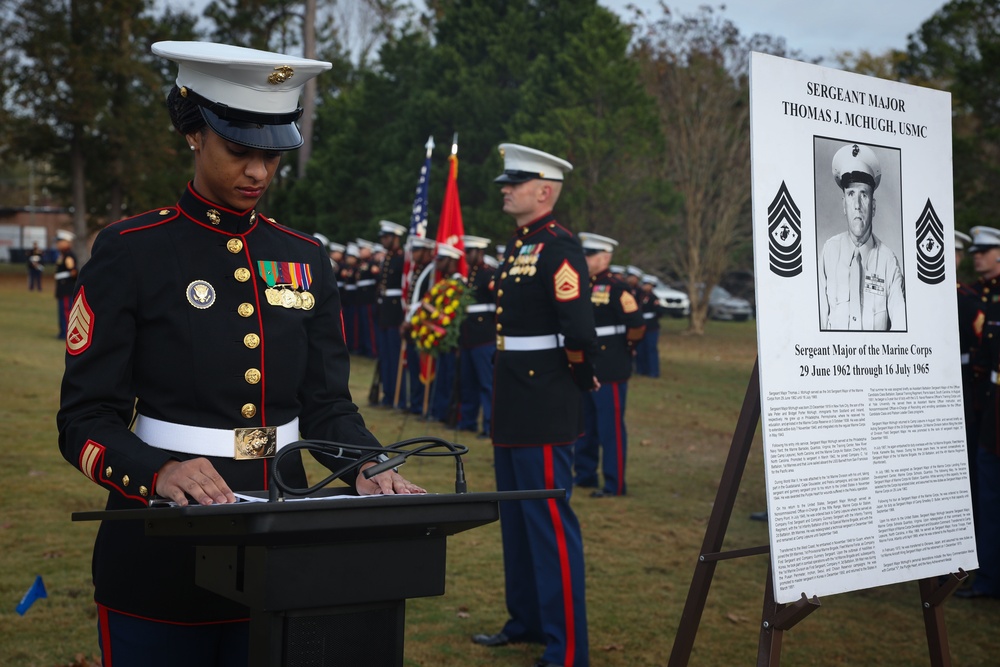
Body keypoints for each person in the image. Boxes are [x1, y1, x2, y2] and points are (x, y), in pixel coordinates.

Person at [56, 41, 425, 664]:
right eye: (239, 150)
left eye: (273, 155)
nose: (258, 172)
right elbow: (85, 418)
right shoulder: (133, 251)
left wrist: (366, 463)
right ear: (195, 133)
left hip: (285, 541)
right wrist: (156, 473)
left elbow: (327, 402)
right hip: (161, 551)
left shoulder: (305, 257)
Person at [472, 143, 595, 667]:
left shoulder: (559, 247)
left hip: (543, 399)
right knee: (518, 522)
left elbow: (578, 331)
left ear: (544, 191)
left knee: (547, 526)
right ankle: (526, 621)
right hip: (513, 401)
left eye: (514, 182)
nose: (505, 188)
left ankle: (566, 650)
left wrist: (575, 379)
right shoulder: (520, 246)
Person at [573, 233, 645, 497]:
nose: (585, 259)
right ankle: (585, 474)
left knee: (610, 428)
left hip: (611, 367)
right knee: (586, 424)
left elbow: (637, 325)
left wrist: (625, 350)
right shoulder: (581, 284)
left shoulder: (618, 287)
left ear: (605, 257)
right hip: (587, 364)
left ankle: (614, 484)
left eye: (590, 255)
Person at [818, 143, 906, 331]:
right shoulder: (829, 252)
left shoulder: (888, 261)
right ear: (844, 205)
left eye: (864, 195)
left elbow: (901, 326)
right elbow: (818, 320)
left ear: (873, 206)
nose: (857, 204)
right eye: (851, 194)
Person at [956, 225, 1000, 599]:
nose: (977, 257)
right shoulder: (979, 296)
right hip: (986, 407)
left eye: (985, 251)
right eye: (975, 252)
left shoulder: (984, 300)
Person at [456, 234, 496, 438]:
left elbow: (497, 303)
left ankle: (489, 424)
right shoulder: (470, 274)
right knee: (468, 382)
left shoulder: (488, 274)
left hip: (484, 336)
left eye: (469, 252)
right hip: (469, 336)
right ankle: (468, 420)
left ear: (479, 253)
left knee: (486, 383)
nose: (466, 256)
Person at [428, 243, 463, 423]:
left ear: (451, 261)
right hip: (440, 338)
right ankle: (438, 411)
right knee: (441, 376)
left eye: (441, 260)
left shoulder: (458, 283)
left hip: (452, 340)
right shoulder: (443, 284)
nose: (438, 263)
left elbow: (456, 314)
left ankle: (449, 413)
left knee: (450, 378)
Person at [402, 236, 438, 414]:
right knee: (413, 366)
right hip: (414, 324)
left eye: (417, 250)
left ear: (426, 252)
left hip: (422, 326)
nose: (414, 254)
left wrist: (410, 320)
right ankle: (415, 402)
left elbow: (424, 300)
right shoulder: (418, 270)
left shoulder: (432, 271)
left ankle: (422, 404)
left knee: (422, 367)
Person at [375, 220, 407, 408]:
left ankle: (399, 398)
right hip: (385, 310)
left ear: (396, 238)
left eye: (386, 237)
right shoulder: (386, 258)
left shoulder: (402, 259)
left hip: (396, 312)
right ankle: (387, 395)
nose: (383, 241)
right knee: (385, 356)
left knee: (395, 358)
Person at [635, 274, 662, 378]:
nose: (644, 286)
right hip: (641, 325)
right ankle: (641, 369)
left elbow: (659, 312)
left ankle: (653, 371)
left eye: (647, 284)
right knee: (640, 349)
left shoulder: (653, 298)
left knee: (651, 349)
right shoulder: (639, 296)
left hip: (651, 326)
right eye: (644, 284)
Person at [355, 238, 379, 358]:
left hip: (369, 300)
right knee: (363, 326)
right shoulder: (362, 265)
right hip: (362, 300)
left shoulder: (373, 264)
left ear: (369, 250)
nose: (360, 251)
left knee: (370, 326)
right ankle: (365, 347)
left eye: (362, 249)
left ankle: (373, 350)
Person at [54, 230, 78, 340]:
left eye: (60, 241)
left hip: (66, 287)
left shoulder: (69, 256)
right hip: (62, 287)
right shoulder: (63, 255)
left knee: (66, 311)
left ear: (67, 242)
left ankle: (67, 333)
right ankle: (63, 331)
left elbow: (73, 272)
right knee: (62, 311)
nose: (57, 244)